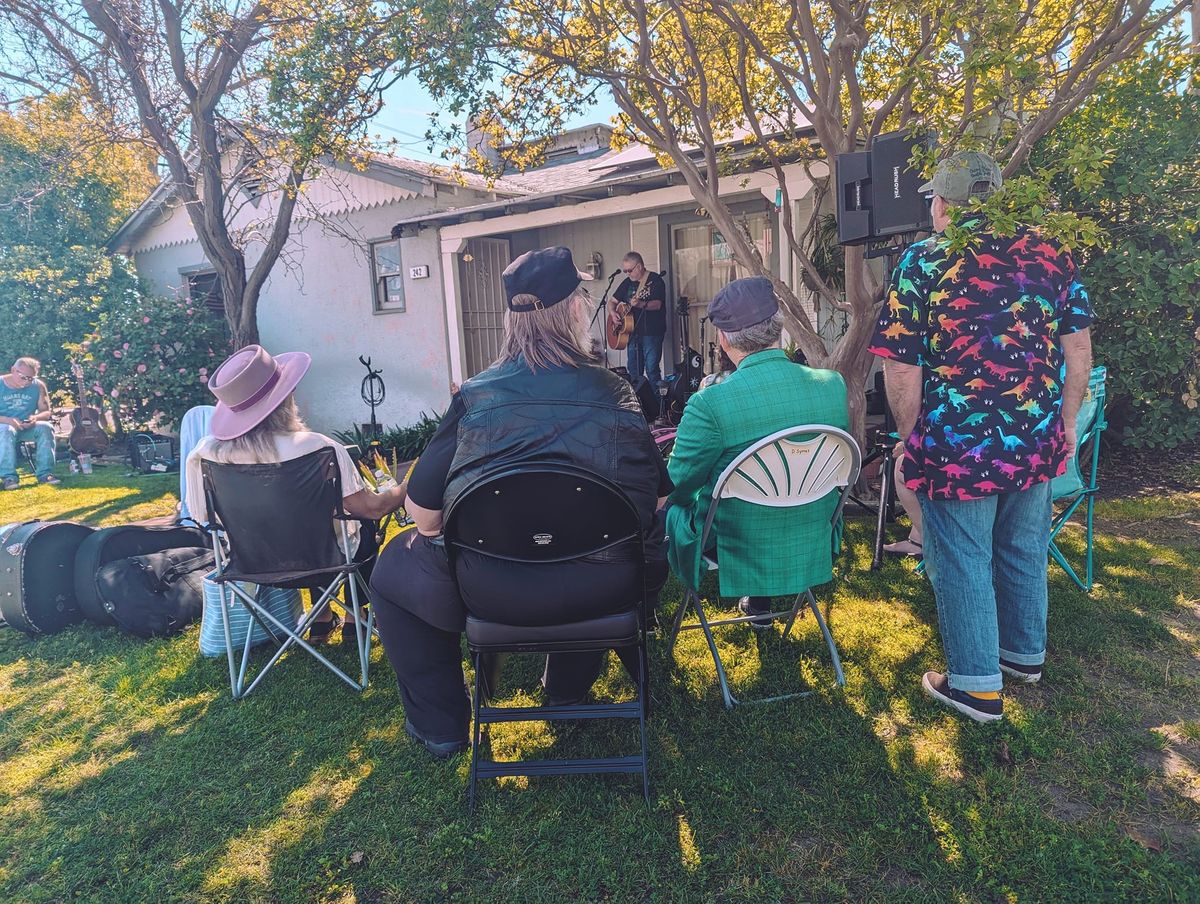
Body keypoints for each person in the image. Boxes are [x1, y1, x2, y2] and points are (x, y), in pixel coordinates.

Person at [370, 246, 671, 759]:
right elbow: (657, 500)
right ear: (575, 311)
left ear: (511, 320)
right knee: (611, 537)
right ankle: (567, 689)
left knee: (392, 571)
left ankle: (443, 726)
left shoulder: (474, 396)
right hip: (604, 585)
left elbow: (423, 518)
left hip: (489, 589)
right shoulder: (616, 393)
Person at [870, 151, 1094, 723]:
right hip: (1036, 437)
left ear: (942, 204)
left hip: (957, 445)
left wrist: (908, 434)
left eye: (931, 201)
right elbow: (1079, 351)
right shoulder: (1052, 253)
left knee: (964, 557)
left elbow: (901, 366)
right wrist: (1067, 424)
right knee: (1023, 545)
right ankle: (1022, 656)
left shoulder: (924, 260)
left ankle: (976, 687)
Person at [184, 345, 408, 641]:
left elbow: (203, 517)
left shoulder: (206, 454)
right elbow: (371, 508)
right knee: (358, 525)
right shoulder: (319, 448)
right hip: (326, 559)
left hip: (252, 562)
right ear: (285, 400)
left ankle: (322, 615)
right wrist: (407, 489)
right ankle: (355, 613)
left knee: (311, 524)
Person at [666, 276, 850, 626]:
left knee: (670, 508)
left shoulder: (710, 403)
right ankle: (760, 604)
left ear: (722, 338)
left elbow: (677, 486)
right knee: (776, 489)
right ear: (778, 326)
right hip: (810, 529)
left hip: (734, 542)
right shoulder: (831, 385)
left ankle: (644, 615)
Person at [607, 251, 668, 392]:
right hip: (632, 333)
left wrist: (640, 304)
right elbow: (612, 302)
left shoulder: (655, 281)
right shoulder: (627, 283)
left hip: (652, 332)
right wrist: (613, 313)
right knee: (634, 370)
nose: (627, 273)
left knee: (652, 369)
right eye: (625, 271)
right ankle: (639, 405)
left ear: (639, 267)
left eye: (630, 270)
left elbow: (657, 304)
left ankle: (658, 407)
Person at [0, 356, 58, 490]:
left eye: (31, 378)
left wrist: (35, 418)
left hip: (27, 426)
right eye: (24, 377)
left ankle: (45, 473)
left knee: (46, 427)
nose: (27, 382)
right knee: (6, 430)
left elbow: (46, 412)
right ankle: (8, 477)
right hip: (3, 426)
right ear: (13, 370)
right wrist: (7, 420)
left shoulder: (38, 385)